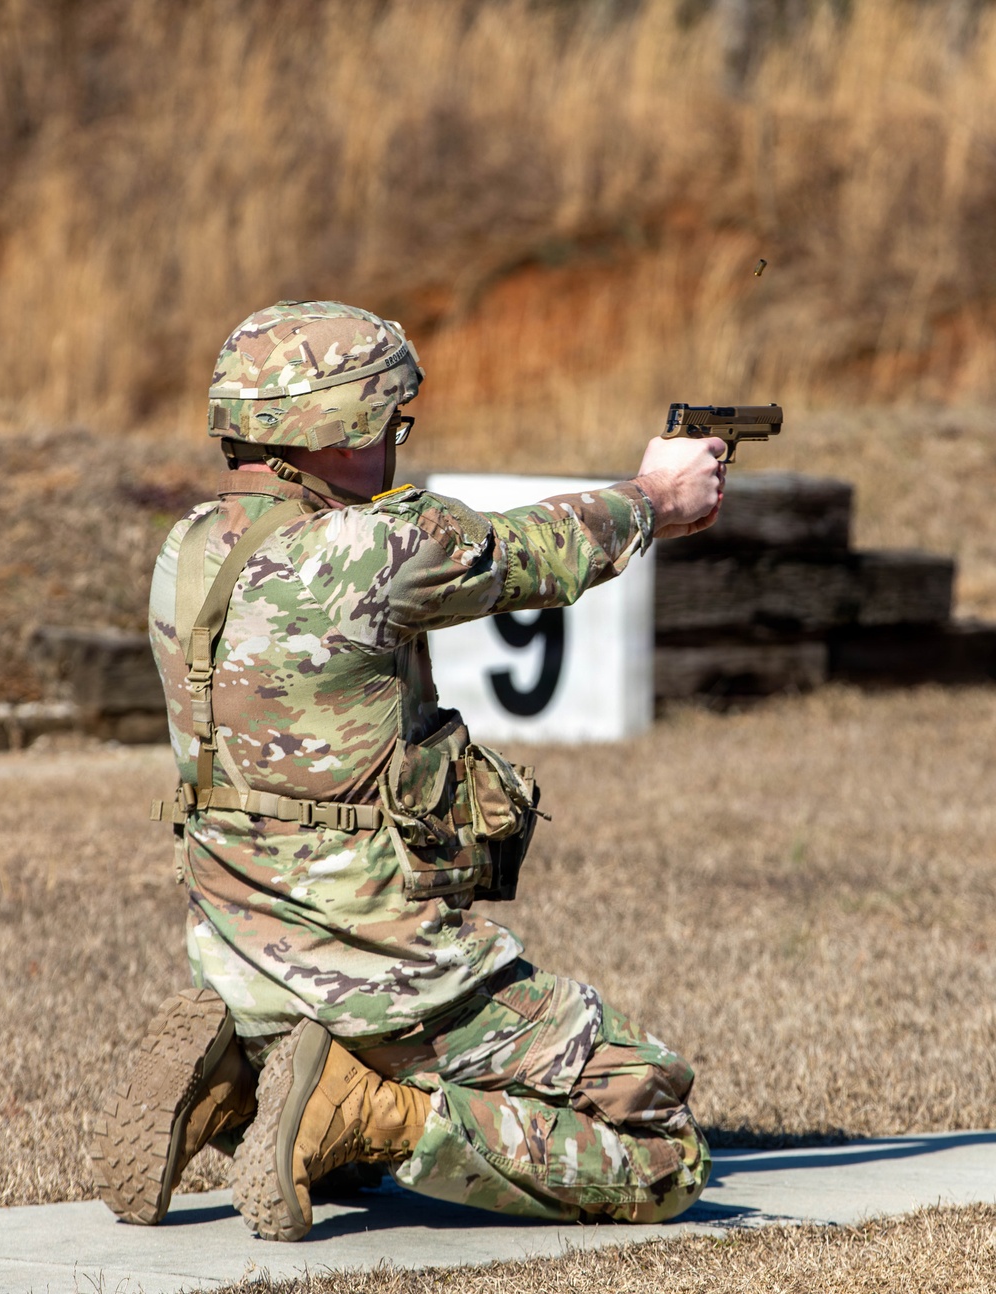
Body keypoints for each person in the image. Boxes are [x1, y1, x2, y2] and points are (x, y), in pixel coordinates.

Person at [92, 300, 726, 1241]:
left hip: (243, 953)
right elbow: (534, 553)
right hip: (391, 968)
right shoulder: (379, 548)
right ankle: (368, 1110)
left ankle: (243, 1077)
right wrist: (657, 497)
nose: (397, 442)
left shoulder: (186, 548)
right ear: (346, 427)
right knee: (662, 1139)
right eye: (390, 423)